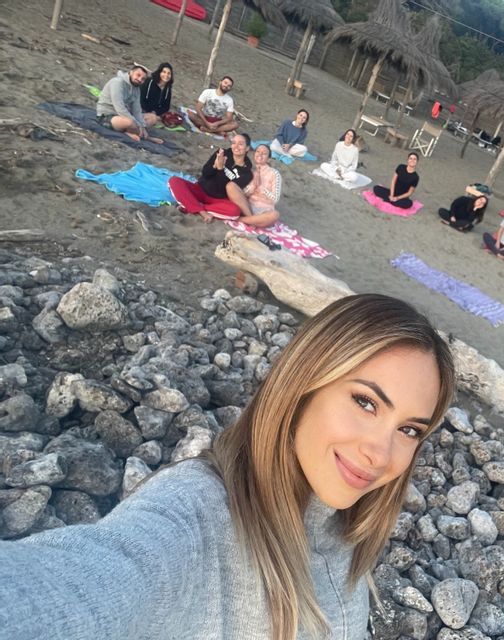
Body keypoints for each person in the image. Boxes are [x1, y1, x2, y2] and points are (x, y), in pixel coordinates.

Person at [0, 294, 455, 639]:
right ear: (302, 384)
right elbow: (78, 587)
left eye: (411, 430)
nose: (381, 452)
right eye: (365, 401)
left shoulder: (350, 525)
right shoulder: (194, 520)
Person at [167, 133, 253, 222]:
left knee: (234, 212)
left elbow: (223, 189)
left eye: (240, 144)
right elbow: (205, 173)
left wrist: (220, 169)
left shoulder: (247, 174)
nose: (236, 146)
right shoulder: (221, 153)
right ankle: (200, 210)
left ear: (247, 148)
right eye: (234, 143)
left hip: (218, 199)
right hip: (200, 189)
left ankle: (193, 206)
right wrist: (214, 167)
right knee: (174, 181)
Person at [95, 65, 162, 144]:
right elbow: (119, 108)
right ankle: (131, 134)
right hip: (108, 115)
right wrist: (137, 123)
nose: (140, 79)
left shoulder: (136, 89)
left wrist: (142, 126)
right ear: (131, 72)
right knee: (129, 122)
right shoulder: (117, 83)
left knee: (152, 118)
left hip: (126, 115)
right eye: (138, 75)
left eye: (143, 79)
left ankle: (136, 132)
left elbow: (136, 110)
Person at [240, 144, 281, 228]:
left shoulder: (274, 173)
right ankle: (253, 221)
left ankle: (241, 220)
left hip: (264, 210)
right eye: (258, 151)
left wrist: (262, 189)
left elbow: (275, 199)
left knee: (275, 215)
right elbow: (242, 193)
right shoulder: (249, 170)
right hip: (247, 206)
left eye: (264, 153)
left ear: (268, 158)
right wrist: (253, 186)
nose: (260, 154)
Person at [140, 62, 173, 126]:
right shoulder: (149, 82)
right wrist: (149, 111)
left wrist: (155, 112)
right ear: (159, 72)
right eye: (164, 72)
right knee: (153, 119)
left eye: (169, 73)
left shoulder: (168, 88)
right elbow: (141, 99)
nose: (166, 75)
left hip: (155, 112)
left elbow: (166, 106)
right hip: (142, 108)